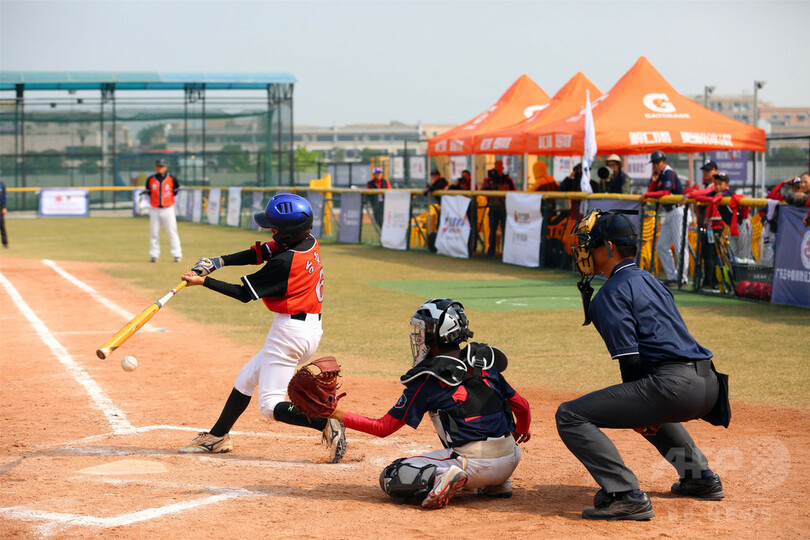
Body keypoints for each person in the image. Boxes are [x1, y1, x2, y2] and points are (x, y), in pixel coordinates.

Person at [557, 209, 728, 521]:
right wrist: (646, 409)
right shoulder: (651, 279)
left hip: (676, 387)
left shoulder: (610, 293)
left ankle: (625, 494)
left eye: (591, 245)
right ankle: (700, 478)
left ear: (608, 248)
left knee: (569, 415)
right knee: (650, 402)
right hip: (708, 384)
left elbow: (631, 361)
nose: (585, 251)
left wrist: (642, 412)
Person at [177, 193, 347, 463]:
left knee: (270, 406)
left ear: (287, 232)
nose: (270, 231)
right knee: (245, 379)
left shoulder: (284, 264)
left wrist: (203, 283)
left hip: (290, 334)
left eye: (274, 228)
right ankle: (217, 437)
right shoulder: (306, 242)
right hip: (305, 328)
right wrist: (217, 262)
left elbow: (245, 293)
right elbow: (262, 252)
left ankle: (324, 423)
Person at [329, 299, 531, 509]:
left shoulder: (428, 380)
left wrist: (335, 413)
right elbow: (523, 407)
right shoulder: (486, 365)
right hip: (510, 459)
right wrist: (521, 431)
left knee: (392, 475)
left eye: (424, 330)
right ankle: (497, 485)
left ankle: (444, 476)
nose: (419, 336)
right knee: (491, 445)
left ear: (438, 334)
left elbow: (382, 428)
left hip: (473, 466)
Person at [641, 151, 688, 285]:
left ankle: (682, 278)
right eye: (654, 163)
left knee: (680, 246)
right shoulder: (659, 175)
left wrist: (647, 195)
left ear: (664, 162)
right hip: (668, 213)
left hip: (678, 211)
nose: (655, 165)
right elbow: (651, 191)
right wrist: (653, 181)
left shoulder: (668, 172)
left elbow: (665, 192)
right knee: (661, 246)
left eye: (658, 162)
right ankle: (673, 276)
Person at [692, 173, 753, 262]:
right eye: (716, 184)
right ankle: (735, 275)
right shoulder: (716, 193)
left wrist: (708, 216)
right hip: (732, 227)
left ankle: (746, 275)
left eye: (720, 184)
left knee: (744, 255)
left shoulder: (728, 192)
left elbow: (715, 199)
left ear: (727, 185)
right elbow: (702, 197)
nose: (717, 186)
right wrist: (690, 195)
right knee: (732, 256)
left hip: (742, 224)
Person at [683, 160, 719, 289]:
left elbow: (705, 195)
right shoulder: (703, 184)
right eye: (704, 170)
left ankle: (711, 282)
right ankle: (709, 280)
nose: (705, 173)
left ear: (715, 171)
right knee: (705, 253)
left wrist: (692, 195)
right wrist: (690, 192)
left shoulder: (717, 184)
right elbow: (689, 190)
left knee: (711, 254)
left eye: (708, 170)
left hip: (714, 223)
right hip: (703, 222)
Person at [144, 158, 183, 262]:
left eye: (161, 166)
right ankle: (154, 255)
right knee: (154, 233)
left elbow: (175, 191)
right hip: (155, 209)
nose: (159, 168)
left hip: (168, 209)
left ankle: (177, 254)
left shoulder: (171, 179)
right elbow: (148, 192)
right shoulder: (150, 179)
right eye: (158, 166)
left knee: (172, 232)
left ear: (165, 167)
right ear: (155, 167)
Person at [482, 160, 516, 258]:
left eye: (499, 166)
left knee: (506, 231)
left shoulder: (508, 180)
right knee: (492, 230)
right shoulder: (489, 180)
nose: (498, 168)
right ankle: (490, 252)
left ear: (502, 167)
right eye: (496, 166)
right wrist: (490, 182)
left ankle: (506, 252)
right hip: (493, 208)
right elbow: (483, 190)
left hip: (505, 208)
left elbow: (514, 191)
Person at [0, 180, 7, 248]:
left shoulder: (1, 184)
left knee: (2, 225)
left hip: (0, 206)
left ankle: (5, 243)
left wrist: (4, 207)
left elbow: (4, 197)